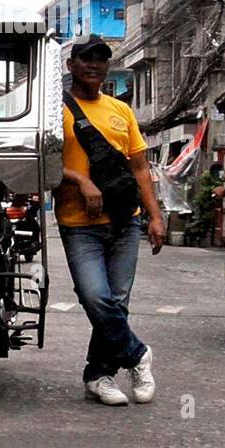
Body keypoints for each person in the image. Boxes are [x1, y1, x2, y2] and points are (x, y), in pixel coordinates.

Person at [56, 35, 165, 406]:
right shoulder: (56, 112)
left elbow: (140, 168)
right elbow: (45, 161)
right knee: (97, 297)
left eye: (101, 59)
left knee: (117, 301)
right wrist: (80, 180)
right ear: (70, 65)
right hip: (77, 222)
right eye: (86, 59)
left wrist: (154, 216)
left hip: (125, 220)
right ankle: (137, 354)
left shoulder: (122, 110)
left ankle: (98, 374)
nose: (94, 65)